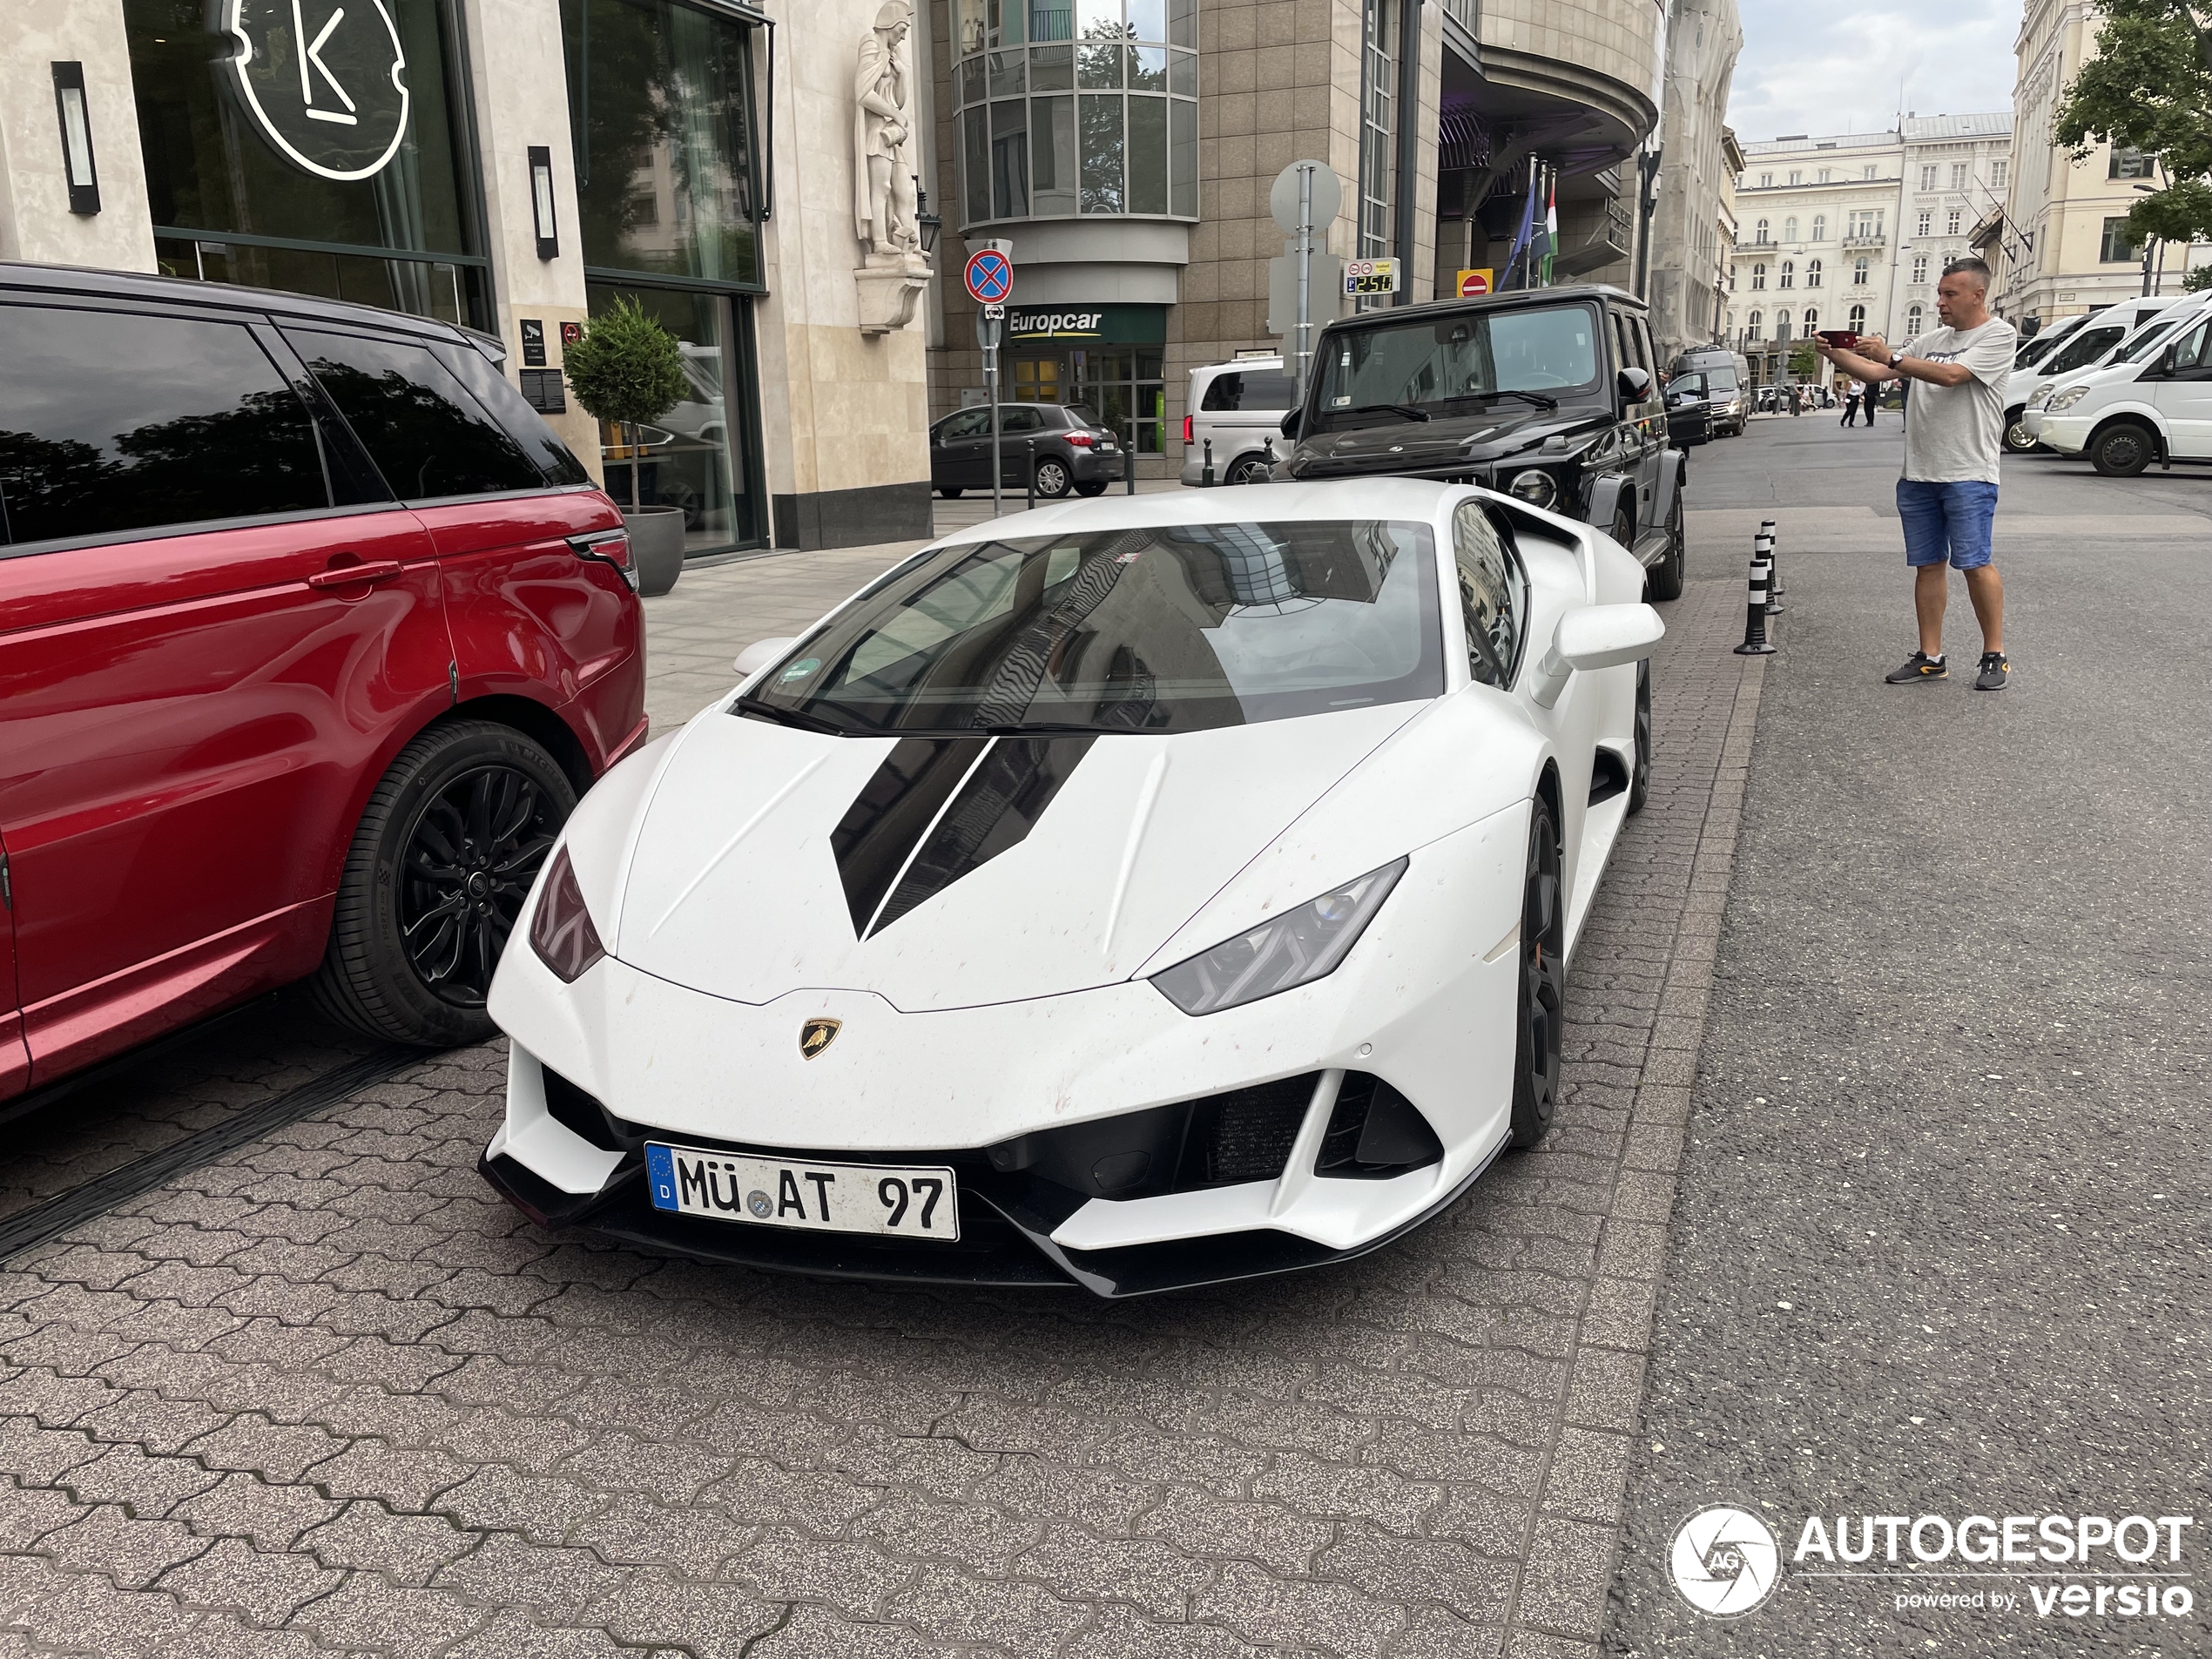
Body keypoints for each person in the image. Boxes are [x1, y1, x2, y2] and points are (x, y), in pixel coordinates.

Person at [1814, 258, 2015, 691]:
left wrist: (1896, 355)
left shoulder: (1998, 335)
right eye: (1939, 294)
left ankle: (1994, 654)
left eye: (1950, 294)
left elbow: (1952, 375)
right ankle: (1931, 657)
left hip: (1969, 471)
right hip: (1920, 472)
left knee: (1975, 563)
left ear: (1978, 295)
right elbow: (1877, 372)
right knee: (1928, 565)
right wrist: (1838, 354)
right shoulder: (1932, 338)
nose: (1940, 302)